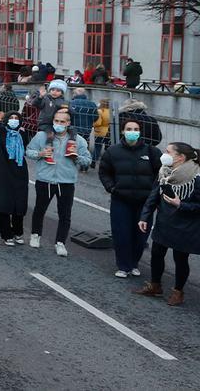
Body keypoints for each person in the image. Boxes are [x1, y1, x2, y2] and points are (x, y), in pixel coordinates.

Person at [134, 142, 200, 305]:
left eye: (168, 152)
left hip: (185, 225)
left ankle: (178, 292)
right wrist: (144, 216)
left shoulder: (196, 177)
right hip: (164, 221)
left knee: (180, 258)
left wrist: (181, 205)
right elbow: (154, 194)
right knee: (156, 253)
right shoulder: (164, 171)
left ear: (180, 157)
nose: (164, 154)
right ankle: (155, 285)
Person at [27, 108, 93, 255]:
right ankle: (35, 235)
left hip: (66, 182)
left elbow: (87, 160)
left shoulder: (78, 140)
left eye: (62, 122)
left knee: (65, 214)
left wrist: (76, 157)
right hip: (45, 180)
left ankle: (60, 243)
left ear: (68, 123)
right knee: (39, 209)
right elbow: (29, 151)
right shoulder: (41, 136)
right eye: (56, 121)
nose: (59, 124)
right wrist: (41, 153)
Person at [99, 121, 161, 278]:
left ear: (140, 132)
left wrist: (155, 195)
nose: (132, 132)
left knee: (141, 236)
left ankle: (134, 263)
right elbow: (104, 172)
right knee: (121, 234)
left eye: (136, 129)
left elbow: (161, 174)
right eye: (129, 129)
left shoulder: (152, 152)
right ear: (123, 131)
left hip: (144, 203)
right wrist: (111, 188)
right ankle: (123, 265)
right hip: (121, 200)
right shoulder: (112, 152)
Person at [0, 111, 29, 245]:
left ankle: (18, 232)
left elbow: (26, 147)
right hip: (1, 172)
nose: (14, 120)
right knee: (3, 204)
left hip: (19, 172)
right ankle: (6, 234)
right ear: (7, 120)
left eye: (16, 118)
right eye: (11, 118)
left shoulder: (22, 133)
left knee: (19, 204)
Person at [68, 89, 99, 170]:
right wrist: (89, 122)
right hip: (86, 128)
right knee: (84, 145)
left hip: (73, 128)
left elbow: (68, 116)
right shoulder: (92, 104)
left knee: (72, 145)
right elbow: (96, 117)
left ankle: (71, 163)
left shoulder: (71, 103)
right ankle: (84, 166)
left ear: (74, 94)